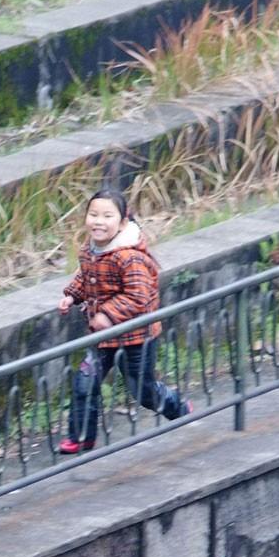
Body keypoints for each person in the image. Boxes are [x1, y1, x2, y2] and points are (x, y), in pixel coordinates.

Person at [57, 187, 190, 454]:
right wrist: (72, 296)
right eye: (93, 214)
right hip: (103, 338)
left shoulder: (129, 256)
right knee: (85, 382)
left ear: (123, 222)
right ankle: (82, 436)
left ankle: (178, 406)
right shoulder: (90, 250)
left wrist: (107, 314)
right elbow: (86, 277)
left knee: (142, 390)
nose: (98, 221)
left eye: (107, 215)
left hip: (136, 336)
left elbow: (138, 295)